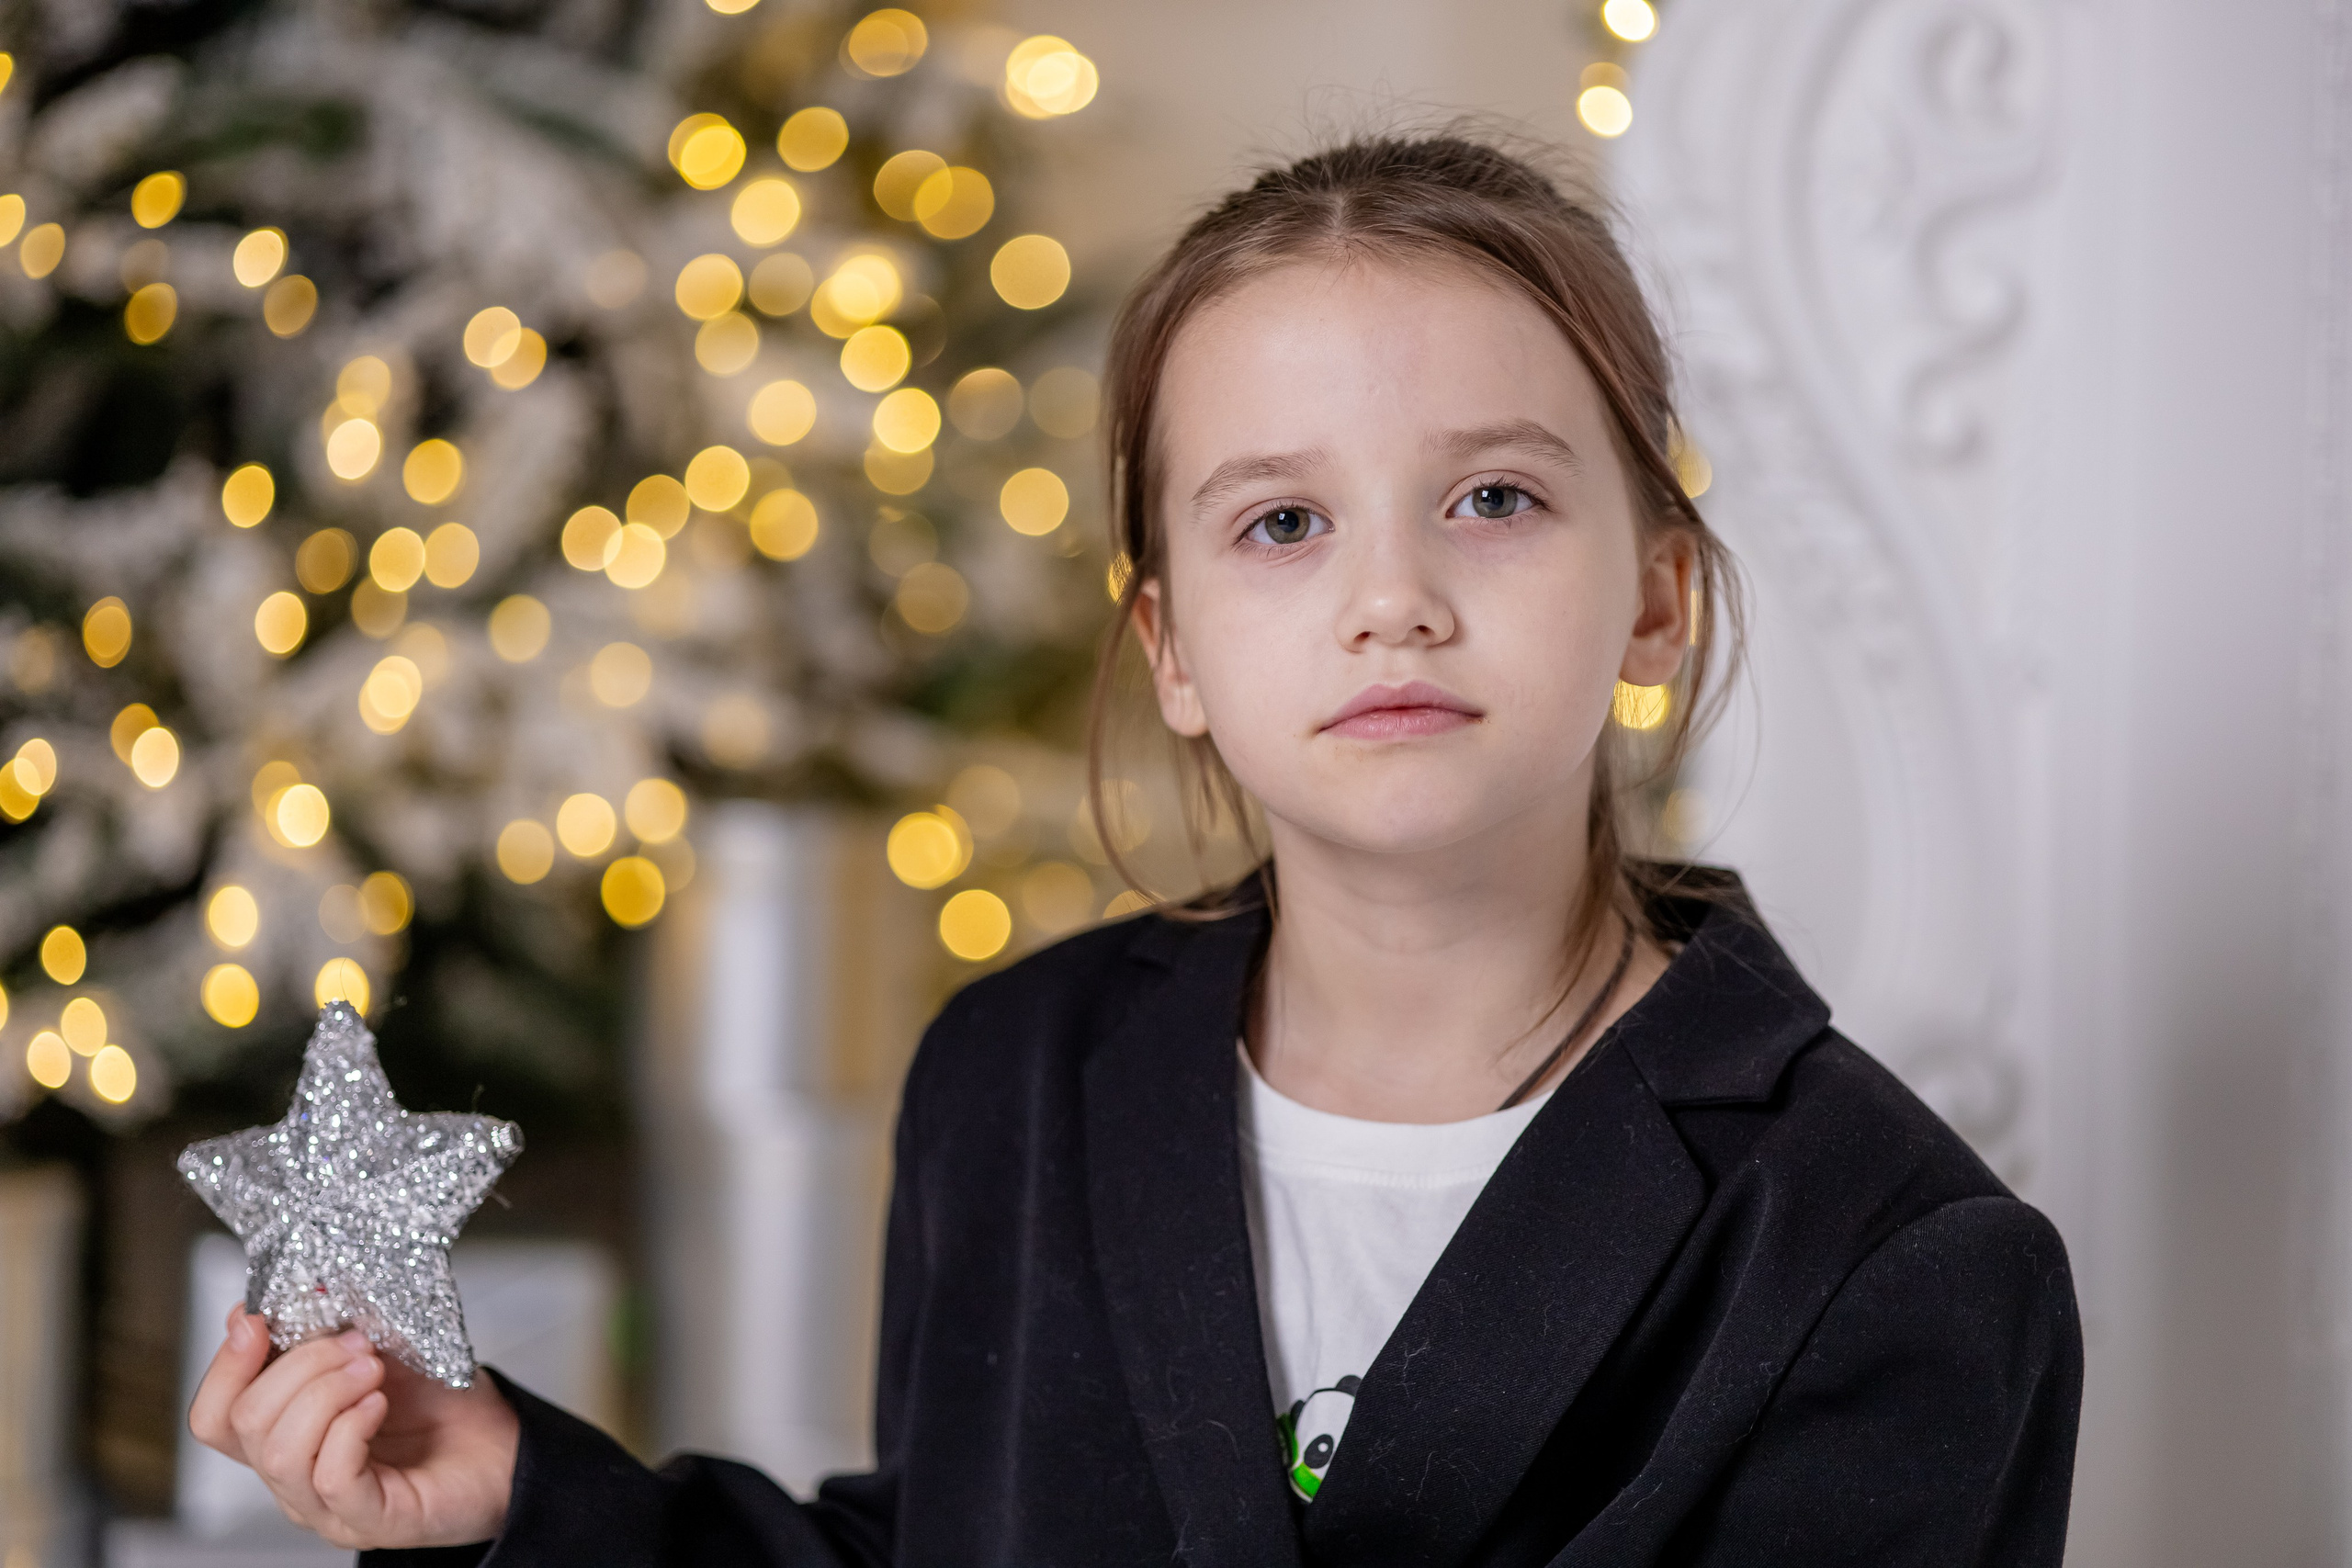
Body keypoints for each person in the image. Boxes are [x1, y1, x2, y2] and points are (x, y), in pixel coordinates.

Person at [188, 132, 2083, 1566]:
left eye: (1490, 498)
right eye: (1279, 524)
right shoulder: (1015, 1079)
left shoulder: (1886, 1257)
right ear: (1169, 644)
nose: (1391, 599)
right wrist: (529, 1493)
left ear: (1654, 597)